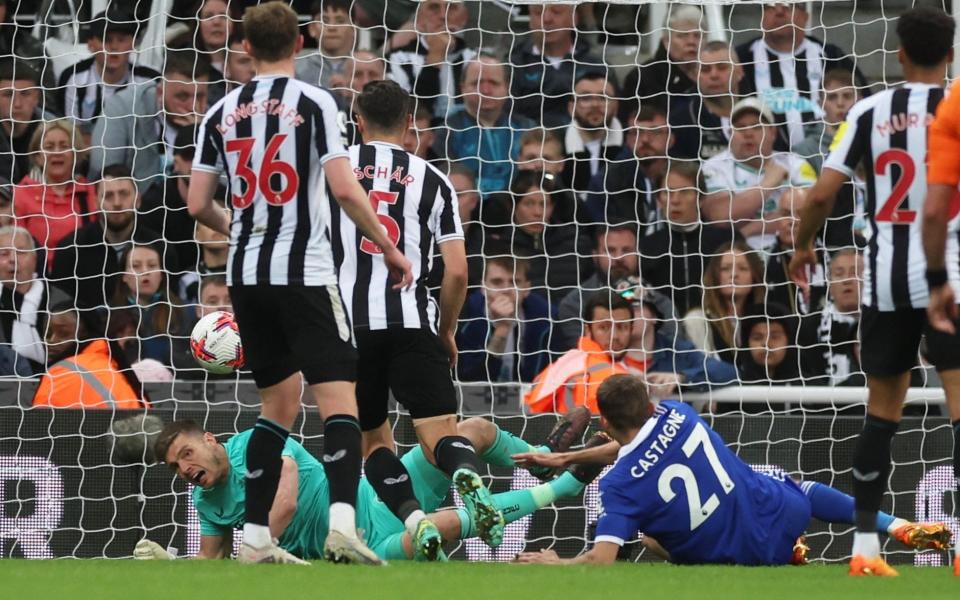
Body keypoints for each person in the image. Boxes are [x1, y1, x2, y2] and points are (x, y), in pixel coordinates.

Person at [187, 2, 412, 566]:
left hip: (245, 275)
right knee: (340, 399)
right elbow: (341, 187)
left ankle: (257, 537)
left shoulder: (220, 110)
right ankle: (342, 525)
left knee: (277, 406)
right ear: (302, 40)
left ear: (243, 45)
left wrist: (241, 227)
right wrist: (388, 247)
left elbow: (196, 204)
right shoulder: (317, 103)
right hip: (304, 271)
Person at [788, 7, 960, 576]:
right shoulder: (956, 107)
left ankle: (865, 548)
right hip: (949, 274)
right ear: (951, 55)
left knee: (882, 413)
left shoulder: (865, 110)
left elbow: (820, 195)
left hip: (883, 276)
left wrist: (803, 246)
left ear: (899, 53)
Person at [514, 374, 951, 566]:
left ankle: (789, 554)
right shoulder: (679, 413)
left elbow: (601, 559)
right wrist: (568, 458)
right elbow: (636, 442)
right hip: (779, 513)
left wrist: (557, 562)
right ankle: (894, 525)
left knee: (649, 536)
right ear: (649, 406)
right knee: (797, 486)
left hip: (741, 556)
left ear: (605, 423)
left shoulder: (618, 488)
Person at [331, 79, 505, 558]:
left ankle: (413, 518)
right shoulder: (434, 180)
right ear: (411, 124)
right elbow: (457, 271)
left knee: (374, 441)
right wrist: (446, 330)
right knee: (437, 437)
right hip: (413, 323)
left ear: (357, 121)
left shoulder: (334, 173)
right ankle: (465, 473)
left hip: (351, 330)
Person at [139, 412, 598, 562]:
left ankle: (544, 459)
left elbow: (288, 497)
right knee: (433, 530)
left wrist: (255, 546)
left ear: (210, 440)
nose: (184, 468)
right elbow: (210, 568)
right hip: (360, 546)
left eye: (186, 454)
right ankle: (564, 487)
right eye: (174, 466)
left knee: (468, 429)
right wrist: (172, 564)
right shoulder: (205, 501)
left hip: (374, 492)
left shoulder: (255, 444)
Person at [736, 2, 868, 148]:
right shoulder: (741, 59)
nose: (779, 11)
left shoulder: (831, 57)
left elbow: (865, 104)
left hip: (823, 159)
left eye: (790, 5)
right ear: (762, 16)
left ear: (806, 16)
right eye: (771, 5)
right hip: (764, 164)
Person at [51, 165, 177, 311]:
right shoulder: (71, 249)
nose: (117, 203)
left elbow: (170, 307)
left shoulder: (161, 249)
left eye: (124, 194)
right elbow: (62, 312)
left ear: (138, 200)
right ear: (96, 202)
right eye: (108, 196)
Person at [701, 97, 818, 250]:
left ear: (773, 133)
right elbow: (720, 217)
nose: (748, 133)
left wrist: (748, 230)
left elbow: (812, 212)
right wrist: (767, 184)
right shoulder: (713, 167)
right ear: (730, 134)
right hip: (738, 254)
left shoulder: (796, 164)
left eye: (757, 127)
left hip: (789, 250)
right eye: (740, 127)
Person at [89, 49, 210, 190]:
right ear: (160, 92)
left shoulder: (215, 117)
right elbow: (103, 174)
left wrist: (198, 135)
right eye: (182, 96)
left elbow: (225, 185)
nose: (193, 106)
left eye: (200, 96)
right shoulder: (122, 108)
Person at [639, 161, 739, 316]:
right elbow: (631, 293)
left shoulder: (726, 241)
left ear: (701, 199)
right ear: (659, 201)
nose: (675, 200)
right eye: (668, 192)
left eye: (684, 192)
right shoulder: (645, 247)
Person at [484, 170, 591, 304]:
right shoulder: (499, 248)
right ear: (513, 206)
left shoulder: (576, 242)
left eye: (544, 204)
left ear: (552, 207)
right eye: (529, 203)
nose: (538, 212)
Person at [439, 55, 534, 197]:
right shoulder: (446, 132)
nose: (485, 91)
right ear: (463, 88)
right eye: (477, 83)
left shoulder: (527, 128)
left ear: (507, 88)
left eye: (494, 83)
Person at [525, 291, 632, 414]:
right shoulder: (612, 377)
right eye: (604, 327)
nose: (614, 336)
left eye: (622, 327)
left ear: (631, 329)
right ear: (588, 330)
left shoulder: (564, 363)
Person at [456, 257, 558, 383]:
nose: (506, 290)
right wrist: (501, 330)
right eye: (497, 282)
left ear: (527, 289)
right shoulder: (466, 317)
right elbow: (469, 380)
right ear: (483, 287)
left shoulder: (546, 318)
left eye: (515, 282)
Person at [621, 289, 737, 398]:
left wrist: (682, 377)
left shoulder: (678, 351)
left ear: (654, 316)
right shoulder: (606, 351)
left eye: (635, 307)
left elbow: (731, 373)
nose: (628, 314)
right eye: (623, 309)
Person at [57, 7, 159, 131]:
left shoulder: (150, 80)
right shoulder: (73, 77)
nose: (114, 47)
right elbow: (70, 131)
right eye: (106, 40)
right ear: (90, 44)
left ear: (133, 44)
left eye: (121, 40)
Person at [13, 118, 98, 266]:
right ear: (38, 157)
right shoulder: (21, 194)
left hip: (81, 273)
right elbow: (17, 248)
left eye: (64, 146)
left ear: (75, 155)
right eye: (49, 147)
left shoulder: (89, 192)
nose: (57, 152)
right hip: (38, 275)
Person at [33, 301, 146, 409]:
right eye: (48, 334)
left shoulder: (61, 372)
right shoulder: (108, 364)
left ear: (85, 335)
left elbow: (40, 423)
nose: (52, 340)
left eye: (63, 333)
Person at [509, 2, 604, 128]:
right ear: (530, 20)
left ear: (574, 18)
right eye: (538, 12)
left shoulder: (597, 65)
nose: (546, 19)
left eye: (557, 11)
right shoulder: (512, 66)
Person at [387, 0, 476, 119]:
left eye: (451, 8)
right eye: (434, 8)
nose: (443, 16)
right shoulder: (399, 59)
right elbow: (406, 113)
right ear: (420, 18)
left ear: (464, 17)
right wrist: (434, 58)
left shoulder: (475, 60)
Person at [585, 106, 669, 229]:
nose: (645, 140)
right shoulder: (605, 182)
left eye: (655, 132)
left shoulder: (685, 177)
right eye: (636, 133)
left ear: (671, 139)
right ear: (628, 139)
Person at [110, 243, 192, 369]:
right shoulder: (107, 315)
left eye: (152, 265)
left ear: (162, 275)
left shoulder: (186, 312)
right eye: (136, 266)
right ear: (124, 276)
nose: (145, 271)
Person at [682, 241, 765, 365]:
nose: (734, 275)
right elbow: (703, 370)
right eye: (725, 269)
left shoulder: (766, 320)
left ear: (754, 276)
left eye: (743, 268)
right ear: (714, 276)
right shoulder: (697, 321)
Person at [0, 225, 67, 375]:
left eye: (21, 252)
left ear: (35, 258)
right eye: (4, 254)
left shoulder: (60, 303)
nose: (13, 259)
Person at [619, 4, 701, 121]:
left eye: (697, 36)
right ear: (666, 41)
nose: (691, 42)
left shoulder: (713, 74)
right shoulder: (641, 78)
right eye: (683, 36)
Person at [669, 41, 746, 161]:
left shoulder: (760, 116)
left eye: (722, 67)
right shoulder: (680, 122)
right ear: (695, 76)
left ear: (739, 72)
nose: (714, 75)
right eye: (705, 70)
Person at [800, 248, 864, 387]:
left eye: (854, 273)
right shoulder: (810, 326)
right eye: (839, 274)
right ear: (829, 283)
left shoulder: (882, 323)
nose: (847, 280)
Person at [764, 188, 828, 316]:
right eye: (786, 214)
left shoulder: (832, 257)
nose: (792, 222)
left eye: (801, 214)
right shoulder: (763, 262)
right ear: (776, 219)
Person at [561, 72, 623, 203]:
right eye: (586, 98)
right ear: (571, 108)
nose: (595, 104)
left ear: (616, 106)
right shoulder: (555, 147)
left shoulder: (631, 146)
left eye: (603, 97)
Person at [0, 59, 57, 186]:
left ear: (37, 98)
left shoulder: (54, 130)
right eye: (8, 95)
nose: (17, 104)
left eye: (25, 94)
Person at [793, 69, 862, 174]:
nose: (840, 103)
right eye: (832, 97)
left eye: (847, 96)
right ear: (821, 104)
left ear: (861, 101)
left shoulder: (873, 141)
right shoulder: (805, 151)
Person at [736, 303, 801, 386]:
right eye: (757, 338)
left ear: (789, 341)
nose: (766, 343)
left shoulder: (810, 387)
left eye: (775, 337)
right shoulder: (733, 386)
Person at [295, 0, 355, 89]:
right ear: (312, 28)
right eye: (324, 20)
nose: (332, 27)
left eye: (340, 21)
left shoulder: (366, 66)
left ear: (354, 29)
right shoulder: (296, 65)